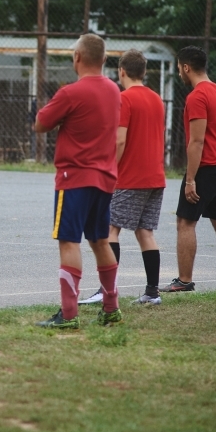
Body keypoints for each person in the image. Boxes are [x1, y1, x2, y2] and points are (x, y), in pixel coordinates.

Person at [33, 33, 122, 329]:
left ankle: (69, 313)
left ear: (78, 58)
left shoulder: (71, 92)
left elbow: (40, 124)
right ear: (105, 60)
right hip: (105, 177)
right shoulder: (114, 91)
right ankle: (111, 307)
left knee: (69, 240)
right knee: (99, 240)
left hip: (75, 177)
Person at [79, 49, 166, 306]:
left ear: (122, 72)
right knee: (144, 232)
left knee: (109, 230)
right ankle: (152, 292)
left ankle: (107, 290)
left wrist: (109, 170)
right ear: (145, 71)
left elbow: (119, 140)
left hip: (130, 176)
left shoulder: (124, 99)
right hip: (155, 177)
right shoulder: (156, 99)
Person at [160, 46, 216, 293]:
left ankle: (184, 281)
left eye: (179, 68)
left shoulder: (197, 96)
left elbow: (197, 141)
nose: (179, 74)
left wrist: (190, 179)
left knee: (185, 222)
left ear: (186, 67)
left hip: (207, 166)